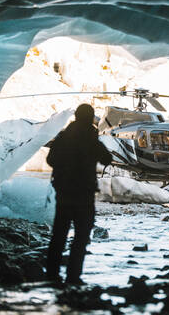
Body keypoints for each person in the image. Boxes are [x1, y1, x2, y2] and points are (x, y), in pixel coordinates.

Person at [46, 104, 112, 284]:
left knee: (59, 234)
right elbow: (107, 159)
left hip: (64, 192)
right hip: (84, 194)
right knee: (81, 236)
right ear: (91, 118)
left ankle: (52, 275)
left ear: (75, 116)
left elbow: (50, 159)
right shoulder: (92, 138)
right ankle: (73, 276)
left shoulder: (63, 136)